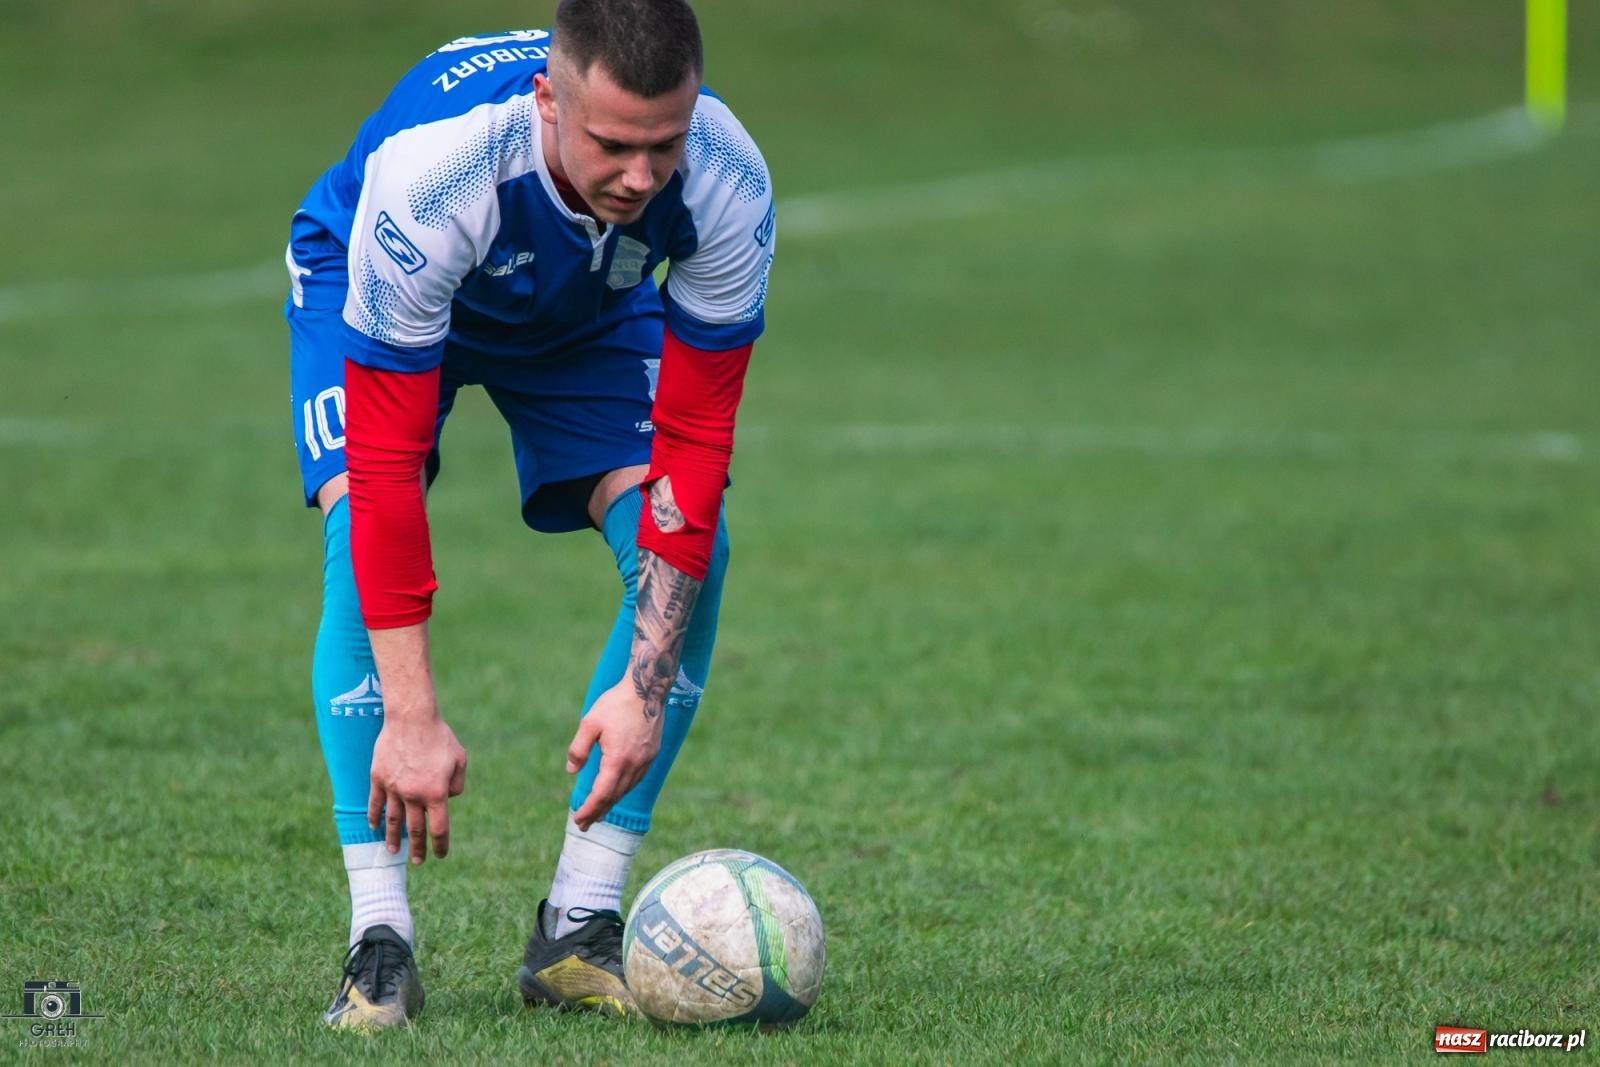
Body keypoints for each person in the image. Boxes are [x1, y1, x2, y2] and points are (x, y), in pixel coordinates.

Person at [283, 0, 774, 1030]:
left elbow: (696, 448)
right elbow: (380, 473)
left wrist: (646, 682)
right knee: (352, 538)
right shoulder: (436, 177)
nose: (643, 175)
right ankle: (380, 941)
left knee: (689, 538)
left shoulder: (726, 176)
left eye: (664, 144)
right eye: (611, 144)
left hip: (587, 301)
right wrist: (413, 717)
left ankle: (578, 922)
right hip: (378, 285)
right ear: (549, 102)